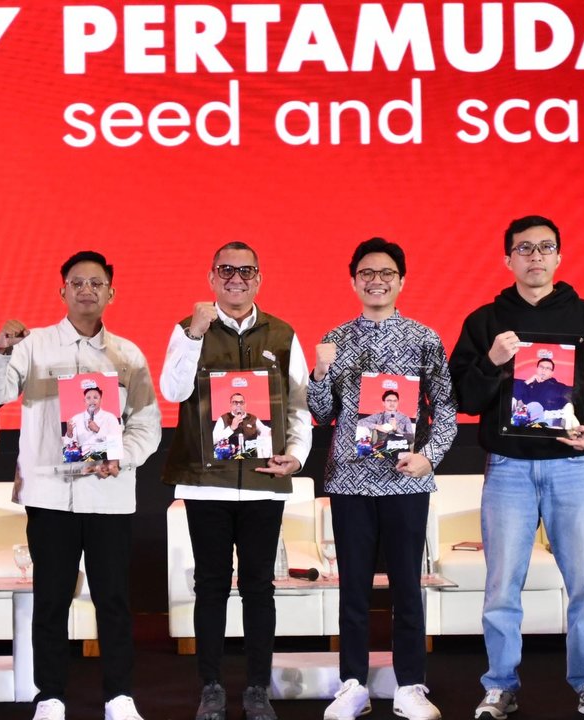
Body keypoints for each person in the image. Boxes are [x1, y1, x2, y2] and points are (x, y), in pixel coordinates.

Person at [448, 216, 584, 720]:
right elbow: (463, 398)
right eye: (524, 249)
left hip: (573, 467)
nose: (535, 257)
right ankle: (500, 686)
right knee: (502, 586)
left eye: (545, 247)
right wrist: (493, 360)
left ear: (559, 257)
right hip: (508, 469)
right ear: (508, 259)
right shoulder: (485, 321)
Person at [0, 251, 161, 720]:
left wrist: (123, 456)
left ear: (111, 292)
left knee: (113, 601)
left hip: (109, 497)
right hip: (50, 495)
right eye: (77, 282)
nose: (86, 290)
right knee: (51, 599)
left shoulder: (128, 355)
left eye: (96, 283)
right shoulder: (32, 345)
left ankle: (119, 697)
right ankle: (50, 696)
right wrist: (0, 347)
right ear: (62, 291)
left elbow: (147, 423)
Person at [160, 241, 311, 720]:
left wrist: (296, 457)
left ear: (259, 278)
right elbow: (172, 391)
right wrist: (194, 334)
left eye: (246, 271)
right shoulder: (188, 330)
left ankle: (257, 688)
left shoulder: (282, 333)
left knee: (259, 587)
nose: (236, 279)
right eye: (226, 270)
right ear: (212, 277)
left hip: (265, 481)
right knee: (210, 586)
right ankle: (210, 687)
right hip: (206, 483)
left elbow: (299, 405)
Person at [308, 238, 457, 720]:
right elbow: (321, 414)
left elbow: (447, 408)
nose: (377, 281)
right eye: (367, 273)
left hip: (406, 482)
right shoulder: (336, 338)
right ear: (354, 281)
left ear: (402, 280)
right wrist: (320, 372)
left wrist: (428, 457)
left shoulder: (424, 338)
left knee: (406, 587)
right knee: (352, 587)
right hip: (350, 482)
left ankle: (410, 685)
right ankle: (352, 684)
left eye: (386, 273)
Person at [64, 382, 121, 461]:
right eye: (88, 398)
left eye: (95, 397)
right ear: (84, 400)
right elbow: (67, 446)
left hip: (105, 459)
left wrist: (98, 430)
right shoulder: (76, 419)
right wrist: (69, 433)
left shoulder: (110, 418)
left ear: (100, 399)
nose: (92, 401)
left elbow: (116, 443)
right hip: (82, 460)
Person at [210, 392, 271, 457]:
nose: (238, 405)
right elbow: (213, 440)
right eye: (235, 402)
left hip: (252, 457)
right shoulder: (223, 418)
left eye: (241, 402)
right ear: (230, 405)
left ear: (245, 405)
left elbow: (264, 430)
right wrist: (231, 428)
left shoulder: (252, 418)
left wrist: (271, 432)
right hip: (230, 458)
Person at [357, 389, 417, 453]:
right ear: (383, 403)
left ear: (398, 403)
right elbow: (360, 422)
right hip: (381, 447)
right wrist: (377, 426)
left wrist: (396, 429)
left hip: (399, 448)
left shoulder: (404, 418)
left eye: (395, 401)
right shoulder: (378, 416)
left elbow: (411, 440)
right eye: (389, 400)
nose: (392, 403)